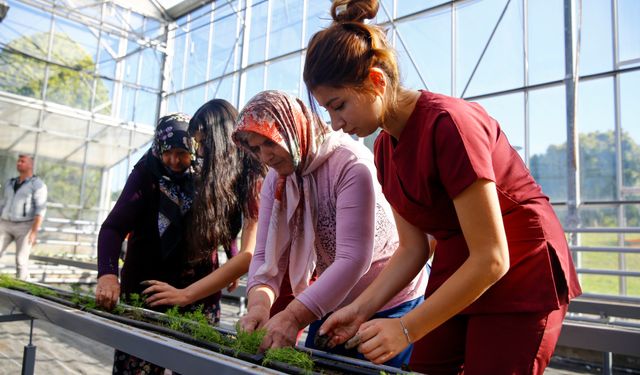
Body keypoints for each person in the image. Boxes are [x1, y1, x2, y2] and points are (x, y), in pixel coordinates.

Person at [302, 1, 582, 374]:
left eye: (339, 106)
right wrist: (360, 308)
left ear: (376, 81)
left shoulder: (449, 124)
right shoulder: (385, 148)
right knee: (426, 365)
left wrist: (406, 327)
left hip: (521, 265)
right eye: (328, 112)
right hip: (462, 263)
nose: (335, 124)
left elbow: (493, 257)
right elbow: (413, 248)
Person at [232, 90, 428, 368]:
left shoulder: (349, 164)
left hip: (389, 303)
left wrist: (292, 317)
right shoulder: (278, 180)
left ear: (292, 128)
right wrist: (258, 307)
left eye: (269, 142)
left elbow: (353, 259)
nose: (265, 156)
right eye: (255, 148)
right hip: (331, 303)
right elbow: (264, 257)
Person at [95, 113, 203, 374]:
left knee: (192, 365)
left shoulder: (204, 175)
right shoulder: (145, 173)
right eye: (167, 152)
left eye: (182, 153)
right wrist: (107, 274)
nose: (174, 161)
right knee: (138, 364)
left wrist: (230, 251)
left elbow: (219, 224)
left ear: (194, 149)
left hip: (194, 290)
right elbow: (113, 227)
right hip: (145, 287)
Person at [140, 99, 266, 318]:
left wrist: (185, 295)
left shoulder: (254, 174)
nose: (198, 152)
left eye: (203, 143)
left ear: (220, 141)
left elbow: (249, 254)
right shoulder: (227, 176)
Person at [0, 154, 47, 280]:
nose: (19, 163)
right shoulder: (10, 183)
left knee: (21, 260)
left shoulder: (37, 184)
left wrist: (34, 232)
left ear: (31, 165)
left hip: (25, 226)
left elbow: (40, 209)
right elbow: (3, 203)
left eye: (22, 161)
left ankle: (22, 287)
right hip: (5, 223)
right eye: (18, 161)